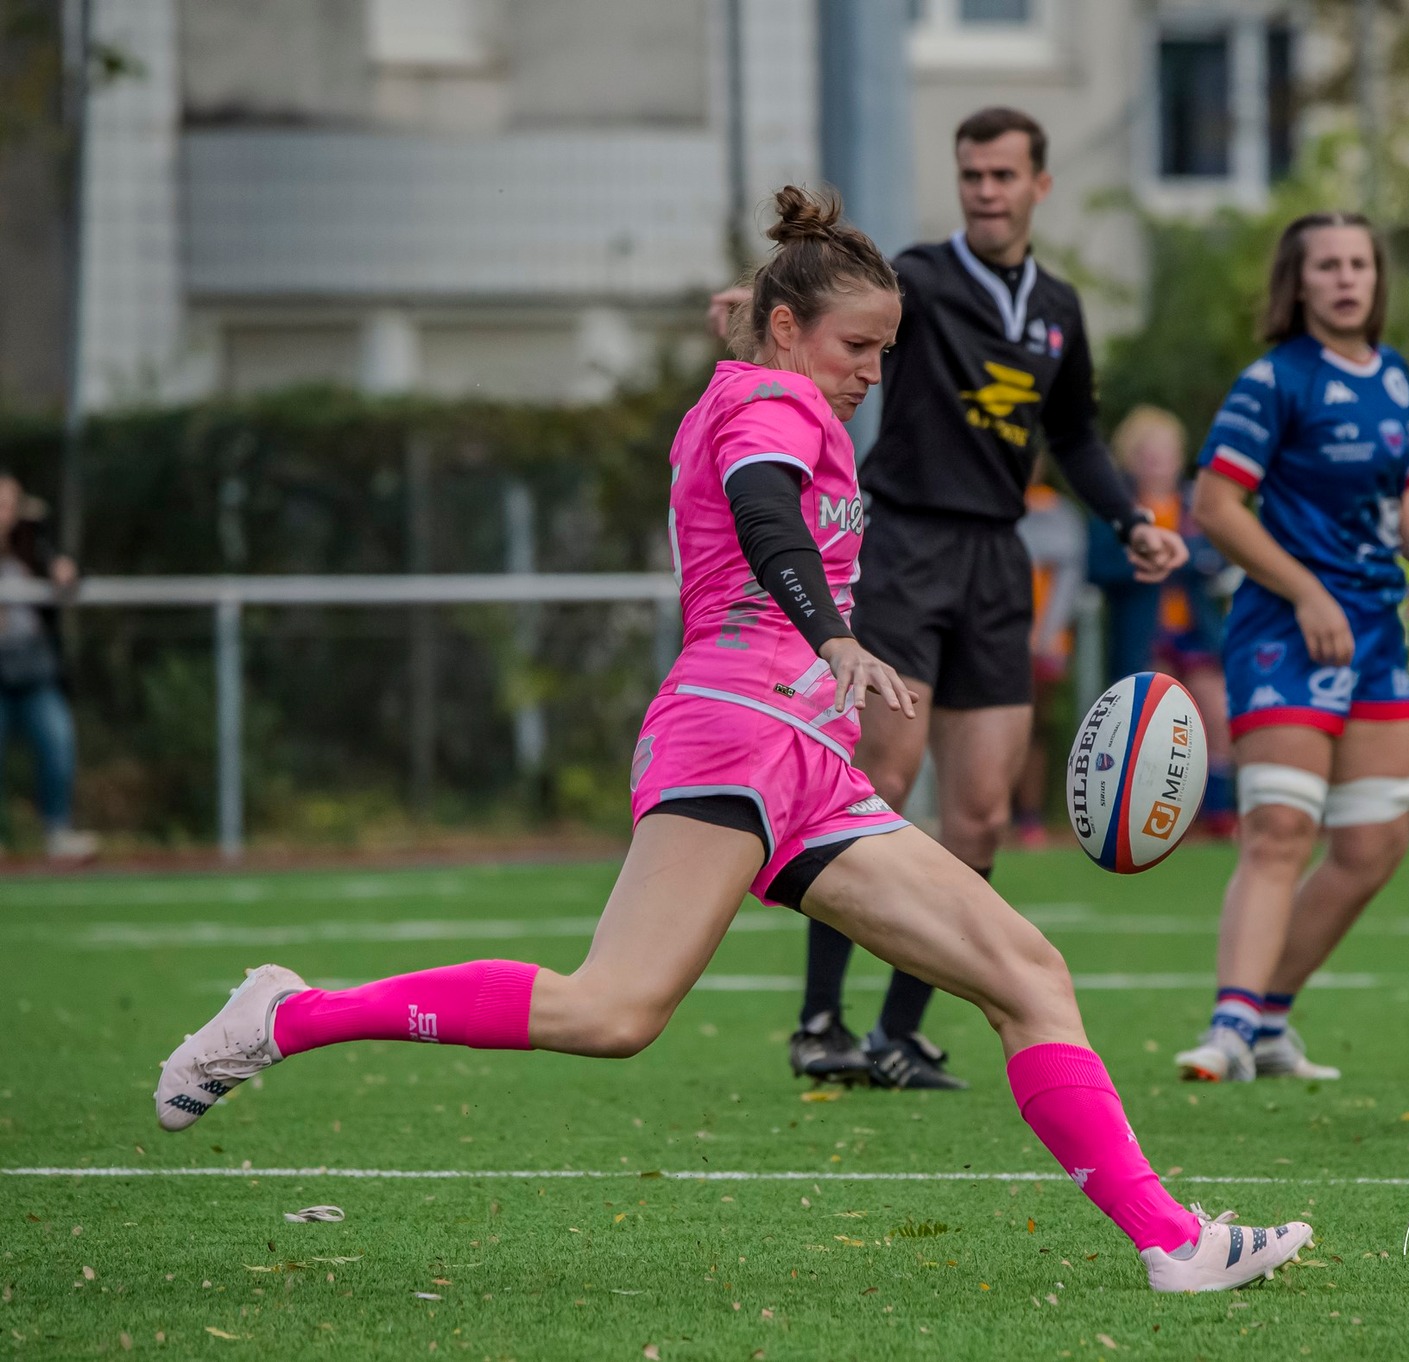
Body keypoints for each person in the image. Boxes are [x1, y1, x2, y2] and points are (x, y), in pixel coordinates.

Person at [155, 187, 1307, 1293]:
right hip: (732, 731)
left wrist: (762, 346)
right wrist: (835, 637)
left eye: (883, 351)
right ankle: (286, 1013)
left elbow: (764, 433)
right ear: (792, 327)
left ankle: (1170, 1242)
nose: (870, 372)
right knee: (610, 1012)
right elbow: (763, 513)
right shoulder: (771, 407)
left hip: (805, 760)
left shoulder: (763, 385)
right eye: (855, 346)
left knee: (1027, 975)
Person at [773, 107, 1187, 1090]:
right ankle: (819, 1024)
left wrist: (1129, 518)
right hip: (908, 540)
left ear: (1039, 185)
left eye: (1003, 175)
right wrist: (756, 322)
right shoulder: (916, 278)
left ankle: (898, 1034)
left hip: (999, 560)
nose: (985, 191)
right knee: (876, 777)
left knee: (981, 813)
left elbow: (1075, 435)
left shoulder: (1060, 306)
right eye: (971, 175)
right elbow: (829, 318)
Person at [1176, 212, 1409, 1083]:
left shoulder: (1396, 376)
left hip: (1375, 629)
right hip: (1287, 630)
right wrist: (1306, 590)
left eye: (1359, 264)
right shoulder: (1272, 381)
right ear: (1297, 284)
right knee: (1282, 828)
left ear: (1377, 279)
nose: (1345, 279)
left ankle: (1268, 1018)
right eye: (1326, 265)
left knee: (1376, 843)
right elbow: (1215, 507)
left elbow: (1402, 494)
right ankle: (1227, 1027)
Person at [1089, 406, 1236, 836]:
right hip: (1144, 636)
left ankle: (1218, 812)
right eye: (1147, 454)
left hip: (1196, 633)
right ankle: (1157, 815)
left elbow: (1216, 555)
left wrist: (1176, 559)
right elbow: (1099, 564)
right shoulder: (1119, 508)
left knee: (1219, 713)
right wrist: (1154, 558)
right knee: (1159, 728)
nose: (1157, 463)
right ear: (1130, 459)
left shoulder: (1195, 503)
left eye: (1164, 454)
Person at [0, 472, 96, 862]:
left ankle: (57, 831)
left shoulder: (34, 545)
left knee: (57, 742)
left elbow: (70, 579)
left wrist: (65, 572)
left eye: (8, 504)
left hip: (34, 672)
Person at [1010, 470, 1086, 849]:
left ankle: (1029, 816)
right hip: (995, 639)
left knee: (1034, 729)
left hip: (1043, 642)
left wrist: (1046, 633)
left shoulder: (1058, 513)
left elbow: (1068, 577)